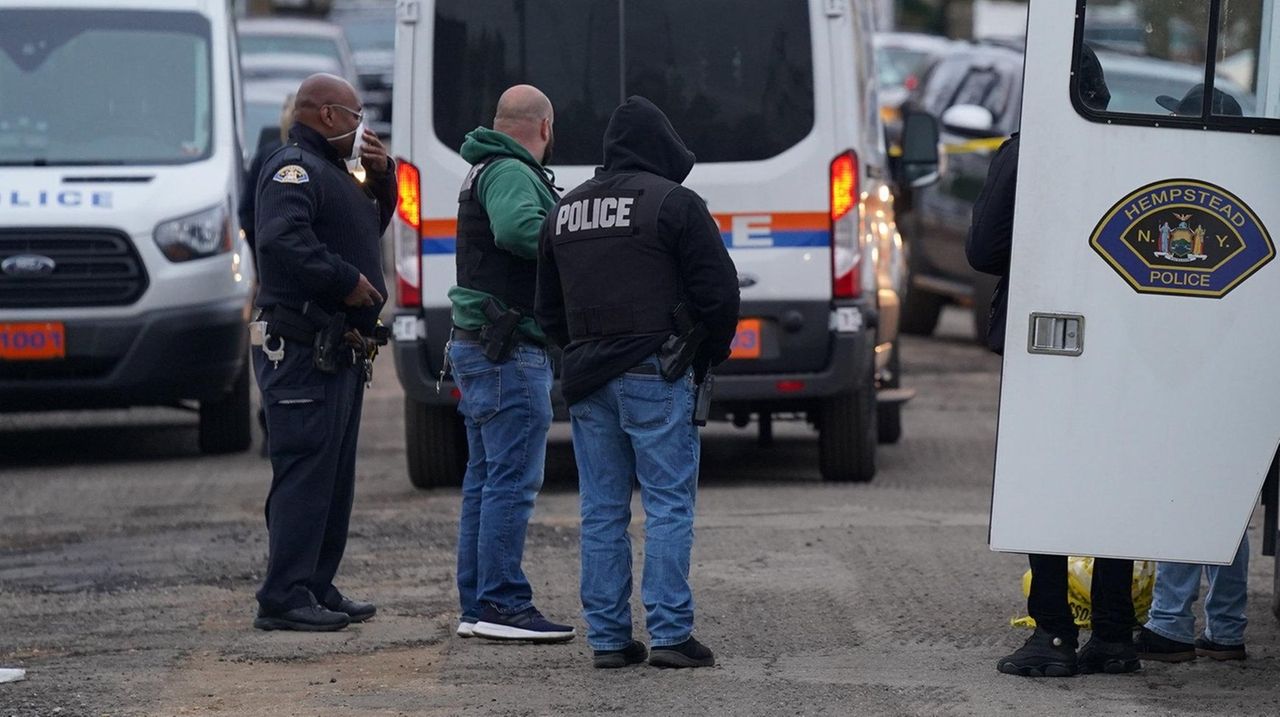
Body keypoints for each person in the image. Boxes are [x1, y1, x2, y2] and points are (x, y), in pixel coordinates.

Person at [535, 96, 740, 669]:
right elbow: (720, 295)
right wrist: (705, 358)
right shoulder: (674, 204)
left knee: (602, 510)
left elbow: (546, 310)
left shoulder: (565, 211)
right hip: (657, 370)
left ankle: (607, 640)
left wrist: (574, 356)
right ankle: (672, 636)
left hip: (587, 380)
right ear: (661, 147)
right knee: (669, 505)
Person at [968, 46, 1141, 676]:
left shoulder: (1029, 149)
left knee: (1040, 482)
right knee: (1109, 481)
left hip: (1044, 340)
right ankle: (1116, 634)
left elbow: (984, 251)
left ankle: (1053, 633)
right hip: (1119, 344)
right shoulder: (1129, 148)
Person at [250, 73, 396, 632]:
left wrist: (382, 181)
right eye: (357, 117)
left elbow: (363, 228)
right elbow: (281, 239)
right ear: (328, 116)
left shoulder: (338, 173)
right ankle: (282, 596)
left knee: (334, 476)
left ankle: (315, 584)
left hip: (336, 351)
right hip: (302, 348)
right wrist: (344, 282)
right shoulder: (293, 167)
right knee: (306, 471)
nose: (364, 128)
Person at [448, 85, 574, 643]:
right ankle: (502, 604)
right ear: (544, 128)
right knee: (510, 482)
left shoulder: (486, 166)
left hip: (480, 348)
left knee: (485, 480)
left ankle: (479, 604)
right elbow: (520, 229)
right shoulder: (511, 172)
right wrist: (576, 244)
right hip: (509, 352)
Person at [1134, 86, 1249, 665]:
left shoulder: (1193, 198)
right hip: (1237, 371)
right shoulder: (1242, 191)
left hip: (1200, 371)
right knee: (1225, 505)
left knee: (1183, 494)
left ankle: (1171, 625)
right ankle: (1225, 630)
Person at [241, 93, 296, 458]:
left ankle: (271, 419)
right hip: (285, 272)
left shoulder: (266, 156)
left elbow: (248, 213)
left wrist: (260, 265)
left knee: (272, 350)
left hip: (270, 272)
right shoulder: (302, 163)